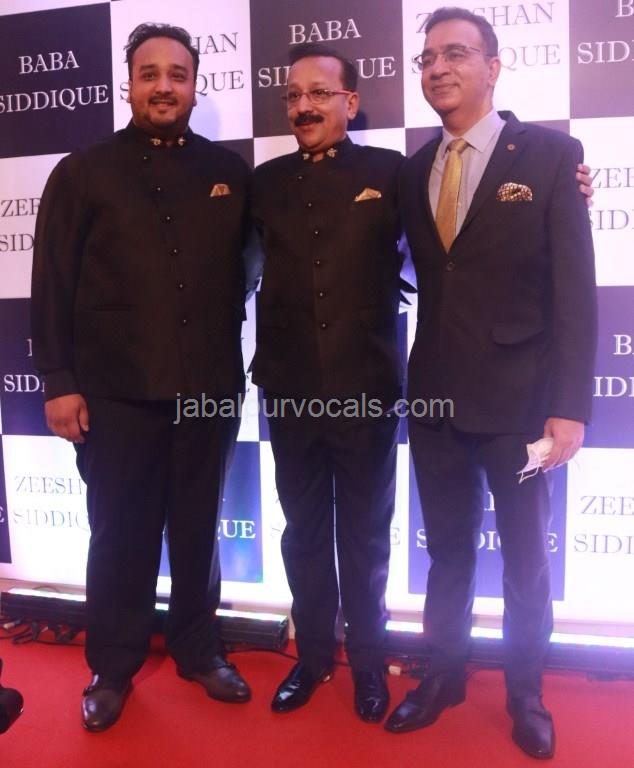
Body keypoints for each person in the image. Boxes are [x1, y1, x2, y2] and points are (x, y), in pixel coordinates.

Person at [384, 8, 597, 760]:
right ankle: (442, 676)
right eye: (427, 58)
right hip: (435, 396)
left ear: (493, 66)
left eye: (456, 53)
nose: (438, 68)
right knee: (445, 553)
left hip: (521, 403)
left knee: (525, 563)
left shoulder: (552, 156)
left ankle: (525, 693)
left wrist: (569, 408)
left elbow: (576, 293)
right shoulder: (411, 170)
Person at [31, 23, 252, 732]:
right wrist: (58, 380)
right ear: (128, 85)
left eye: (178, 75)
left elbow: (251, 269)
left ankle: (198, 649)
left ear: (194, 85)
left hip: (208, 390)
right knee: (119, 535)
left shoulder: (229, 172)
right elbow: (51, 281)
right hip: (114, 393)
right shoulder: (82, 171)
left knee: (198, 530)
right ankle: (113, 665)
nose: (164, 86)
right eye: (150, 74)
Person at [251, 43, 404, 723]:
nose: (303, 106)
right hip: (287, 388)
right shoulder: (263, 182)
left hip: (367, 388)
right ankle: (312, 656)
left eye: (319, 93)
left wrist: (564, 182)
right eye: (293, 95)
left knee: (366, 535)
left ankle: (368, 662)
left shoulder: (392, 172)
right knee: (304, 531)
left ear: (351, 102)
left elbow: (462, 223)